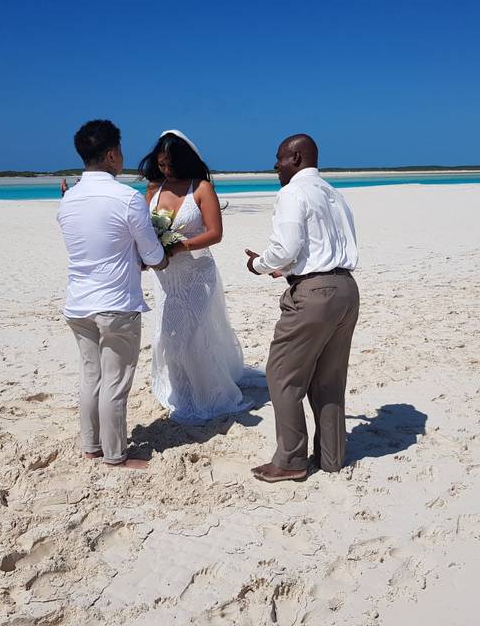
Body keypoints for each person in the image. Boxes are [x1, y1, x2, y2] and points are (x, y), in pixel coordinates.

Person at [245, 134, 360, 483]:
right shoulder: (333, 193)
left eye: (279, 158)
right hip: (346, 288)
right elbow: (324, 245)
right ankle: (331, 457)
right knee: (329, 379)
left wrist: (260, 265)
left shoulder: (292, 191)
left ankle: (292, 460)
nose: (275, 165)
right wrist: (290, 265)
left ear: (295, 158)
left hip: (315, 293)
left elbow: (286, 246)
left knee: (282, 375)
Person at [57, 119, 169, 469]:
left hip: (78, 303)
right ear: (110, 155)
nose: (122, 157)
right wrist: (157, 257)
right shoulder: (126, 198)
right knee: (115, 383)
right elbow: (153, 255)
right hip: (116, 303)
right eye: (119, 151)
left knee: (91, 376)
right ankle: (116, 455)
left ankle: (90, 445)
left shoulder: (69, 199)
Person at [138, 130, 248, 423]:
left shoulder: (201, 188)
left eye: (171, 164)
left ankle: (209, 393)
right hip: (165, 278)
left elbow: (216, 233)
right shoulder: (152, 190)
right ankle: (180, 390)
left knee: (195, 334)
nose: (166, 170)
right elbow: (145, 233)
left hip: (197, 274)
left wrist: (181, 246)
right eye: (162, 164)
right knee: (167, 335)